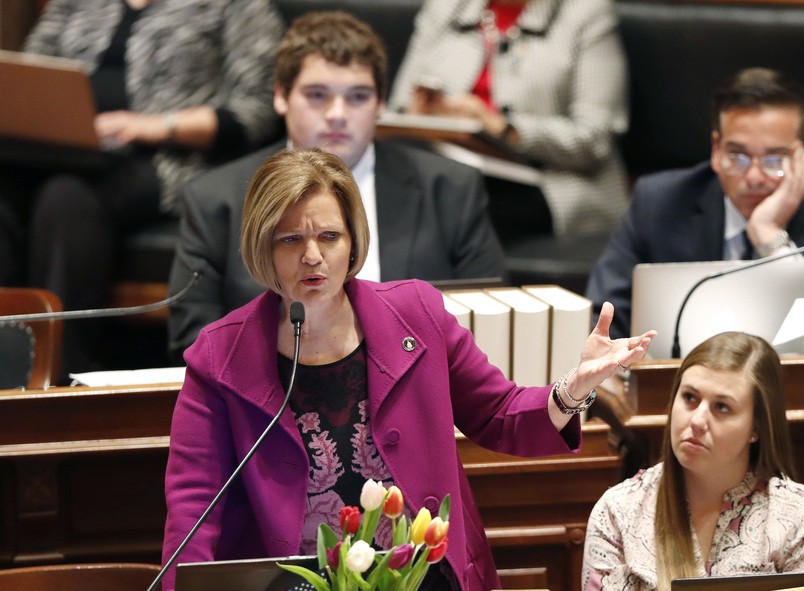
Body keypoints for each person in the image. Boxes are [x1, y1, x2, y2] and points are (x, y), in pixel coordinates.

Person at [161, 147, 656, 591]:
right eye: (290, 239)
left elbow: (499, 413)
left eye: (329, 236)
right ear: (262, 246)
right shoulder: (219, 358)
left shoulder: (416, 313)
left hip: (429, 578)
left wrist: (572, 388)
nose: (312, 256)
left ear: (353, 241)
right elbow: (194, 508)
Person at [167, 10, 506, 361]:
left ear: (382, 103)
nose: (338, 114)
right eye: (317, 95)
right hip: (267, 405)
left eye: (358, 96)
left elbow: (488, 321)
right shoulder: (215, 198)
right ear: (281, 96)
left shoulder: (450, 188)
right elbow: (195, 344)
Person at [0, 0, 283, 375]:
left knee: (66, 199)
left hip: (167, 161)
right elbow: (30, 75)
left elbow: (258, 108)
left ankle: (55, 375)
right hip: (59, 149)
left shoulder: (235, 6)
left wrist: (153, 125)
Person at [586, 67, 804, 339]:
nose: (754, 176)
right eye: (738, 156)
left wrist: (771, 238)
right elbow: (602, 323)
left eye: (775, 159)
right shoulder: (659, 203)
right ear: (716, 150)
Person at [582, 331, 804, 591]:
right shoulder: (617, 512)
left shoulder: (798, 516)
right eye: (690, 398)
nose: (697, 421)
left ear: (756, 428)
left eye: (722, 407)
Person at [387, 0, 630, 241]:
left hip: (552, 183)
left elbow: (594, 138)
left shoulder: (586, 12)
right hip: (445, 167)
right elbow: (397, 108)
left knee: (452, 208)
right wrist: (419, 114)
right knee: (392, 191)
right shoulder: (446, 6)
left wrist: (500, 128)